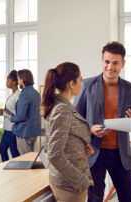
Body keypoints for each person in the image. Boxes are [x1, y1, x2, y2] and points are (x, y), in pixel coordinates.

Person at [73, 41, 131, 202]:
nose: (110, 66)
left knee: (129, 198)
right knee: (95, 199)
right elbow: (75, 120)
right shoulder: (86, 85)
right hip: (94, 153)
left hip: (121, 154)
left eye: (115, 63)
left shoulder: (130, 89)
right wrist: (90, 129)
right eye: (107, 61)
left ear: (122, 64)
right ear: (102, 61)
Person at [42, 62, 94, 202]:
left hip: (68, 181)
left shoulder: (59, 105)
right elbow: (55, 154)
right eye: (80, 79)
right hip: (69, 185)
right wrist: (81, 180)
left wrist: (80, 148)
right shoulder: (62, 109)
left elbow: (63, 139)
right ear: (72, 83)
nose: (82, 84)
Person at [9, 69, 41, 155]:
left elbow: (21, 116)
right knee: (32, 158)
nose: (18, 82)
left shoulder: (24, 94)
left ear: (22, 80)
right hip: (34, 131)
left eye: (19, 79)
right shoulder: (36, 93)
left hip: (24, 132)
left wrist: (11, 118)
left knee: (25, 159)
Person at [0, 70, 20, 162]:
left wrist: (2, 112)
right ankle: (7, 170)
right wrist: (1, 111)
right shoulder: (12, 95)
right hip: (7, 128)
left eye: (8, 80)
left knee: (15, 154)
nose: (6, 82)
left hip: (12, 129)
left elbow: (17, 114)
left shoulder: (18, 96)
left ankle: (18, 173)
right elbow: (9, 111)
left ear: (14, 82)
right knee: (2, 150)